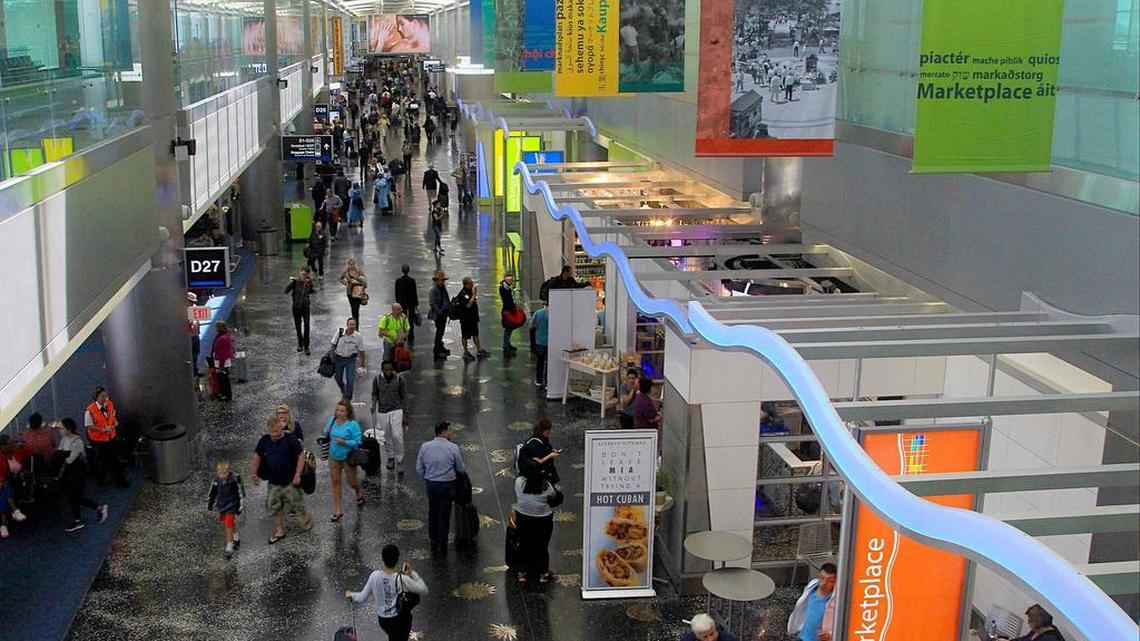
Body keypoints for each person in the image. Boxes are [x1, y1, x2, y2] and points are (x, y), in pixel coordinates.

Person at [346, 544, 429, 641]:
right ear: (397, 559)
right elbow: (423, 589)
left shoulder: (375, 576)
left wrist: (351, 595)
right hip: (399, 620)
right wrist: (412, 573)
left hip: (383, 620)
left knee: (393, 636)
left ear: (383, 559)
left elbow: (362, 597)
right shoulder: (402, 579)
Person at [252, 416, 314, 544]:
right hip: (273, 482)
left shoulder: (290, 439)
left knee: (298, 504)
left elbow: (301, 455)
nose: (274, 434)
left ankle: (307, 523)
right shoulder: (264, 440)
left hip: (290, 481)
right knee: (275, 507)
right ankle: (279, 531)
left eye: (276, 431)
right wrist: (255, 473)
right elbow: (257, 455)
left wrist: (298, 475)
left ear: (281, 427)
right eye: (271, 432)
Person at [415, 421, 466, 557]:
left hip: (431, 484)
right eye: (450, 430)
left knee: (433, 509)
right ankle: (442, 541)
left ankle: (433, 537)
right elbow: (461, 468)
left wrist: (428, 477)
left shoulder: (425, 447)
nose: (452, 432)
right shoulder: (453, 448)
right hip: (448, 485)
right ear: (443, 432)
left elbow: (419, 468)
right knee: (445, 513)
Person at [55, 418, 109, 533]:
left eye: (62, 428)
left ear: (68, 429)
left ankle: (81, 518)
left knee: (75, 497)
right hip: (71, 473)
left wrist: (62, 457)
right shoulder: (64, 439)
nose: (60, 430)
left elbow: (69, 459)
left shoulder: (77, 442)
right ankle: (96, 509)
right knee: (75, 497)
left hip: (78, 473)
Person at [513, 468, 557, 584]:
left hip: (523, 517)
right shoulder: (546, 486)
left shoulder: (519, 482)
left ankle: (522, 572)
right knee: (542, 545)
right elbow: (553, 496)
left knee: (523, 543)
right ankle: (543, 573)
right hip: (544, 519)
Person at [324, 399, 364, 521]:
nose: (339, 413)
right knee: (335, 482)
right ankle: (338, 510)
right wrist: (326, 432)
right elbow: (326, 432)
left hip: (348, 457)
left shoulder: (353, 425)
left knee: (351, 482)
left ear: (348, 412)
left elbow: (358, 442)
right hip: (333, 456)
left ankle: (358, 490)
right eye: (337, 410)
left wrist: (345, 442)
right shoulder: (332, 420)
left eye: (342, 411)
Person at [84, 386, 128, 487]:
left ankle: (118, 480)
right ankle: (106, 480)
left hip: (111, 436)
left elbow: (112, 415)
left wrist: (115, 422)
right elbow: (89, 425)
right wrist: (101, 429)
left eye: (105, 395)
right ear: (96, 397)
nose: (105, 398)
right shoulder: (90, 411)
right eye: (102, 396)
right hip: (99, 440)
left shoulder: (109, 404)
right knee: (105, 461)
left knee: (113, 459)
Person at [372, 361, 408, 474]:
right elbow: (374, 393)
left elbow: (404, 397)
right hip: (382, 411)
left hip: (396, 409)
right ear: (382, 370)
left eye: (390, 369)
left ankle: (400, 459)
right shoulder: (377, 380)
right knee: (386, 436)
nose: (388, 371)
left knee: (397, 435)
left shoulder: (399, 379)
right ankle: (391, 457)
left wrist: (406, 414)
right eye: (386, 369)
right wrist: (373, 404)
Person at [787, 563, 837, 641]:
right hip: (801, 637)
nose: (824, 583)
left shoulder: (834, 601)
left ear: (835, 583)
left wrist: (831, 634)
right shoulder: (811, 588)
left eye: (830, 581)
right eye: (822, 578)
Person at [206, 458, 245, 558]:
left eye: (224, 473)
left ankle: (229, 545)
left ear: (229, 471)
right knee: (228, 524)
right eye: (220, 473)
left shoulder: (234, 480)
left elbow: (240, 492)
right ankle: (236, 538)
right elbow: (212, 493)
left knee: (228, 523)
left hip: (232, 505)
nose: (222, 475)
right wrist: (210, 504)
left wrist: (240, 505)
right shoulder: (216, 481)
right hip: (222, 505)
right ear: (217, 473)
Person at [456, 277, 490, 361]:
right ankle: (465, 352)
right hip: (466, 319)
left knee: (475, 334)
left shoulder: (469, 291)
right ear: (466, 284)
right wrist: (474, 295)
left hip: (473, 318)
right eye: (470, 283)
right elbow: (468, 305)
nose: (472, 285)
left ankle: (479, 350)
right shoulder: (463, 294)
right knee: (465, 335)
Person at [331, 317, 366, 399]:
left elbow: (361, 351)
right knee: (338, 378)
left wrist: (362, 363)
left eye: (353, 325)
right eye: (350, 324)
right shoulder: (339, 332)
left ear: (355, 326)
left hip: (350, 359)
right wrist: (331, 355)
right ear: (347, 325)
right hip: (339, 358)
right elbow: (333, 344)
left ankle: (348, 398)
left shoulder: (358, 336)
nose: (351, 326)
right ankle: (343, 389)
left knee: (350, 380)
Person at [520, 418, 561, 484]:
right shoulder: (534, 444)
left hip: (543, 475)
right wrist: (550, 456)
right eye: (547, 431)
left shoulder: (542, 439)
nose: (550, 432)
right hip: (537, 478)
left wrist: (551, 451)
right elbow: (537, 463)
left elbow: (543, 452)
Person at [285, 267, 315, 353]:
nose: (303, 276)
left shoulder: (309, 282)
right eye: (302, 274)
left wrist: (314, 291)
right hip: (296, 307)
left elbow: (309, 291)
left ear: (307, 275)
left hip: (305, 307)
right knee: (298, 326)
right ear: (300, 273)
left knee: (307, 326)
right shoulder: (295, 282)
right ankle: (300, 344)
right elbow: (286, 290)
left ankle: (306, 346)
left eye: (305, 275)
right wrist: (292, 282)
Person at [1002, 605, 1066, 641]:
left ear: (1037, 622)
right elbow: (1024, 639)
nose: (1028, 623)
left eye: (1030, 621)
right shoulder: (1037, 629)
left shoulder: (1048, 639)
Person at [394, 265, 419, 348]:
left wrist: (397, 303)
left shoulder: (398, 281)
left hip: (402, 303)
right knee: (410, 320)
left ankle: (403, 335)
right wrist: (416, 304)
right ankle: (411, 335)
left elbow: (396, 293)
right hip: (411, 302)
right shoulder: (412, 281)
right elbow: (414, 293)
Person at [210, 321, 235, 401]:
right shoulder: (225, 336)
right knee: (223, 377)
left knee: (223, 378)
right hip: (222, 361)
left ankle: (226, 394)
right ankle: (225, 393)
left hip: (221, 362)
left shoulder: (222, 338)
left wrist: (221, 364)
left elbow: (222, 353)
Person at [428, 271, 451, 359]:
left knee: (441, 331)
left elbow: (446, 298)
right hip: (438, 314)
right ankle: (437, 350)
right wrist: (439, 311)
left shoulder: (443, 288)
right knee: (439, 331)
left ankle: (440, 348)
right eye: (440, 280)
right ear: (436, 280)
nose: (441, 282)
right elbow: (432, 303)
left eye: (443, 280)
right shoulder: (433, 290)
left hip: (444, 313)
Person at [340, 258, 369, 327]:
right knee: (353, 309)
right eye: (350, 264)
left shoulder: (359, 271)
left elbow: (365, 282)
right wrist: (346, 283)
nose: (351, 266)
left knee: (356, 309)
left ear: (355, 264)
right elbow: (340, 278)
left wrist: (357, 282)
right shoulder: (346, 272)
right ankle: (353, 325)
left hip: (357, 292)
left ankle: (356, 326)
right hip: (350, 292)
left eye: (352, 264)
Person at [499, 273, 519, 356]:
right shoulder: (504, 288)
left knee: (509, 329)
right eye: (510, 280)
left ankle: (507, 344)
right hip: (507, 311)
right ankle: (506, 347)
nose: (512, 282)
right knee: (508, 329)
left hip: (509, 310)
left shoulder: (507, 288)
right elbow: (508, 300)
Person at [531, 300, 549, 387]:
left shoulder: (538, 313)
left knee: (540, 362)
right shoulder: (555, 314)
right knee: (549, 363)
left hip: (540, 342)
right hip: (551, 342)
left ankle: (539, 380)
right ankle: (548, 383)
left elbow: (531, 326)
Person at [187, 292, 201, 377]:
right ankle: (191, 372)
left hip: (196, 334)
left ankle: (195, 370)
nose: (193, 303)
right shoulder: (184, 310)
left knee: (196, 353)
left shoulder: (194, 307)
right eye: (191, 301)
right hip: (190, 336)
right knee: (191, 354)